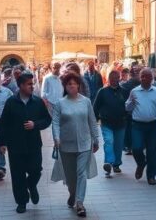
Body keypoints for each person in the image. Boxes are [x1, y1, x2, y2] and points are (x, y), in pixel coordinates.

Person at [0, 72, 52, 213]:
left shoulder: (38, 102)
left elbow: (47, 120)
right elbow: (4, 123)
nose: (32, 86)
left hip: (34, 144)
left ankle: (31, 185)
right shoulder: (11, 102)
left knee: (36, 170)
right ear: (21, 85)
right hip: (15, 145)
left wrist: (35, 124)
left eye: (32, 84)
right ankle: (21, 202)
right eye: (29, 84)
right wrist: (2, 143)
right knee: (17, 175)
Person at [52, 71, 100, 218]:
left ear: (79, 85)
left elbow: (92, 121)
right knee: (70, 176)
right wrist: (56, 138)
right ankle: (72, 193)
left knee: (81, 173)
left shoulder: (85, 101)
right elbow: (55, 122)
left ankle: (80, 202)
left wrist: (96, 138)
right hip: (66, 145)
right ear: (65, 87)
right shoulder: (60, 103)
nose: (71, 86)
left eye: (74, 83)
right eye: (68, 84)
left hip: (85, 144)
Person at [126, 68, 156, 184]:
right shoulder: (134, 91)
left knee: (152, 151)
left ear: (151, 78)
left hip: (152, 126)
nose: (143, 78)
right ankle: (141, 163)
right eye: (142, 76)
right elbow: (127, 108)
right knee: (136, 148)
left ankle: (151, 176)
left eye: (146, 76)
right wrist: (131, 102)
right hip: (137, 125)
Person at [93, 69, 128, 176]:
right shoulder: (102, 92)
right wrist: (94, 120)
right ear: (108, 79)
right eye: (111, 78)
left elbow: (129, 106)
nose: (114, 80)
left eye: (116, 78)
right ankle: (108, 162)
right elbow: (95, 107)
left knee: (118, 145)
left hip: (120, 123)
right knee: (109, 141)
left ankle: (116, 164)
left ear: (119, 78)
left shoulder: (124, 91)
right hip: (106, 123)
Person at [120, 64, 142, 154]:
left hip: (128, 111)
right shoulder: (141, 85)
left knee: (128, 129)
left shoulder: (125, 85)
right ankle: (135, 146)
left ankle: (129, 147)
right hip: (137, 110)